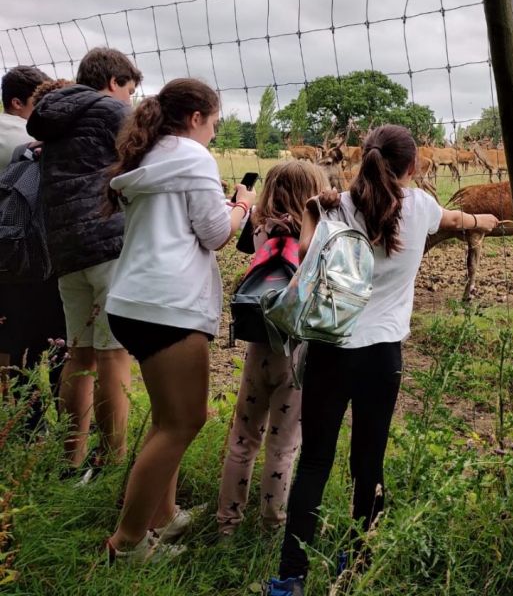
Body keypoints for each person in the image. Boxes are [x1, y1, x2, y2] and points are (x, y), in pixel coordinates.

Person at [263, 125, 498, 596]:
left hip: (332, 350)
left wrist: (312, 210)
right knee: (368, 463)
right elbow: (453, 220)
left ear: (364, 157)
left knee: (314, 463)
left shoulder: (335, 205)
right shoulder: (422, 208)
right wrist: (481, 222)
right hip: (383, 357)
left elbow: (307, 253)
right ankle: (358, 560)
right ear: (414, 167)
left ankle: (289, 579)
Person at [99, 77, 255, 563]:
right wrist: (242, 208)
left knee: (166, 419)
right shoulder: (192, 157)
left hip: (132, 301)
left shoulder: (149, 156)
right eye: (213, 124)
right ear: (195, 119)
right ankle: (126, 545)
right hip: (167, 306)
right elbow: (213, 234)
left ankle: (161, 518)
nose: (213, 134)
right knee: (185, 421)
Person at [26, 48, 138, 477]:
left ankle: (71, 459)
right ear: (113, 81)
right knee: (114, 355)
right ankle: (111, 462)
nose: (130, 98)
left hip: (65, 248)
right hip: (108, 244)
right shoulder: (112, 111)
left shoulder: (52, 116)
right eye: (129, 88)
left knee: (80, 354)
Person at [216, 161, 329, 538]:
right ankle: (271, 528)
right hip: (296, 355)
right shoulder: (316, 237)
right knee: (283, 448)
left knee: (243, 439)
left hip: (257, 350)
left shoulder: (262, 228)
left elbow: (249, 239)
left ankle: (227, 525)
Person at [0, 69, 68, 437]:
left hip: (12, 258)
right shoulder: (55, 147)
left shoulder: (20, 149)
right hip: (51, 260)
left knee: (15, 343)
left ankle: (24, 423)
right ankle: (67, 428)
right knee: (60, 344)